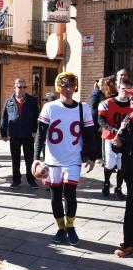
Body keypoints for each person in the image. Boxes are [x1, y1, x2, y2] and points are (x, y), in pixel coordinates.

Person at [33, 72, 96, 246]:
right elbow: (40, 134)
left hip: (73, 158)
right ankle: (60, 228)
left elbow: (90, 135)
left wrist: (91, 156)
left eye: (71, 86)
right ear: (58, 87)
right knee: (55, 197)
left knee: (70, 194)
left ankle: (71, 226)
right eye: (64, 86)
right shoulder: (49, 107)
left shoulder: (83, 108)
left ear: (75, 87)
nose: (68, 89)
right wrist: (36, 159)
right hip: (52, 159)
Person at [0, 78, 40, 189]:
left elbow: (37, 117)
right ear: (14, 88)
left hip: (28, 135)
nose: (22, 89)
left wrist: (35, 131)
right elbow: (4, 117)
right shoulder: (9, 101)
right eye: (19, 86)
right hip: (15, 135)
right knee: (15, 159)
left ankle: (31, 180)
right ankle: (16, 181)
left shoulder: (32, 100)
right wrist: (4, 133)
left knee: (29, 159)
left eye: (24, 87)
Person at [98, 80, 132, 199]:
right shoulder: (107, 103)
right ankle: (106, 182)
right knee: (110, 163)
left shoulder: (131, 104)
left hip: (124, 140)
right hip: (109, 138)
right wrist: (111, 129)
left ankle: (118, 188)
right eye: (123, 88)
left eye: (128, 89)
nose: (125, 92)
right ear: (118, 88)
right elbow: (100, 120)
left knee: (122, 165)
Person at [111, 86, 133, 257]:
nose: (131, 100)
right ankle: (129, 243)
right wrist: (117, 144)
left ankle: (129, 244)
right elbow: (121, 145)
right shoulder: (128, 119)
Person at [91, 77, 117, 163]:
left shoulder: (101, 92)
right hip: (97, 117)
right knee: (98, 137)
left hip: (100, 116)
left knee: (99, 137)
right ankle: (98, 156)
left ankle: (100, 156)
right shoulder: (97, 92)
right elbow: (94, 105)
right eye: (103, 84)